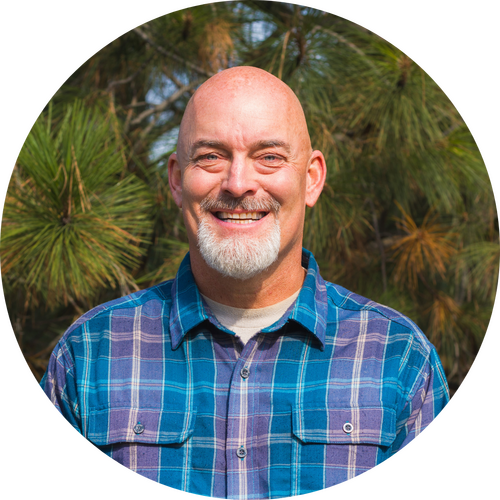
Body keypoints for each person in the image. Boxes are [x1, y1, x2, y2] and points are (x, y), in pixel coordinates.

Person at [37, 66, 451, 499]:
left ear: (311, 178)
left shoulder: (398, 357)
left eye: (269, 157)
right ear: (177, 179)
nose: (238, 184)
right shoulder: (91, 353)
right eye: (210, 156)